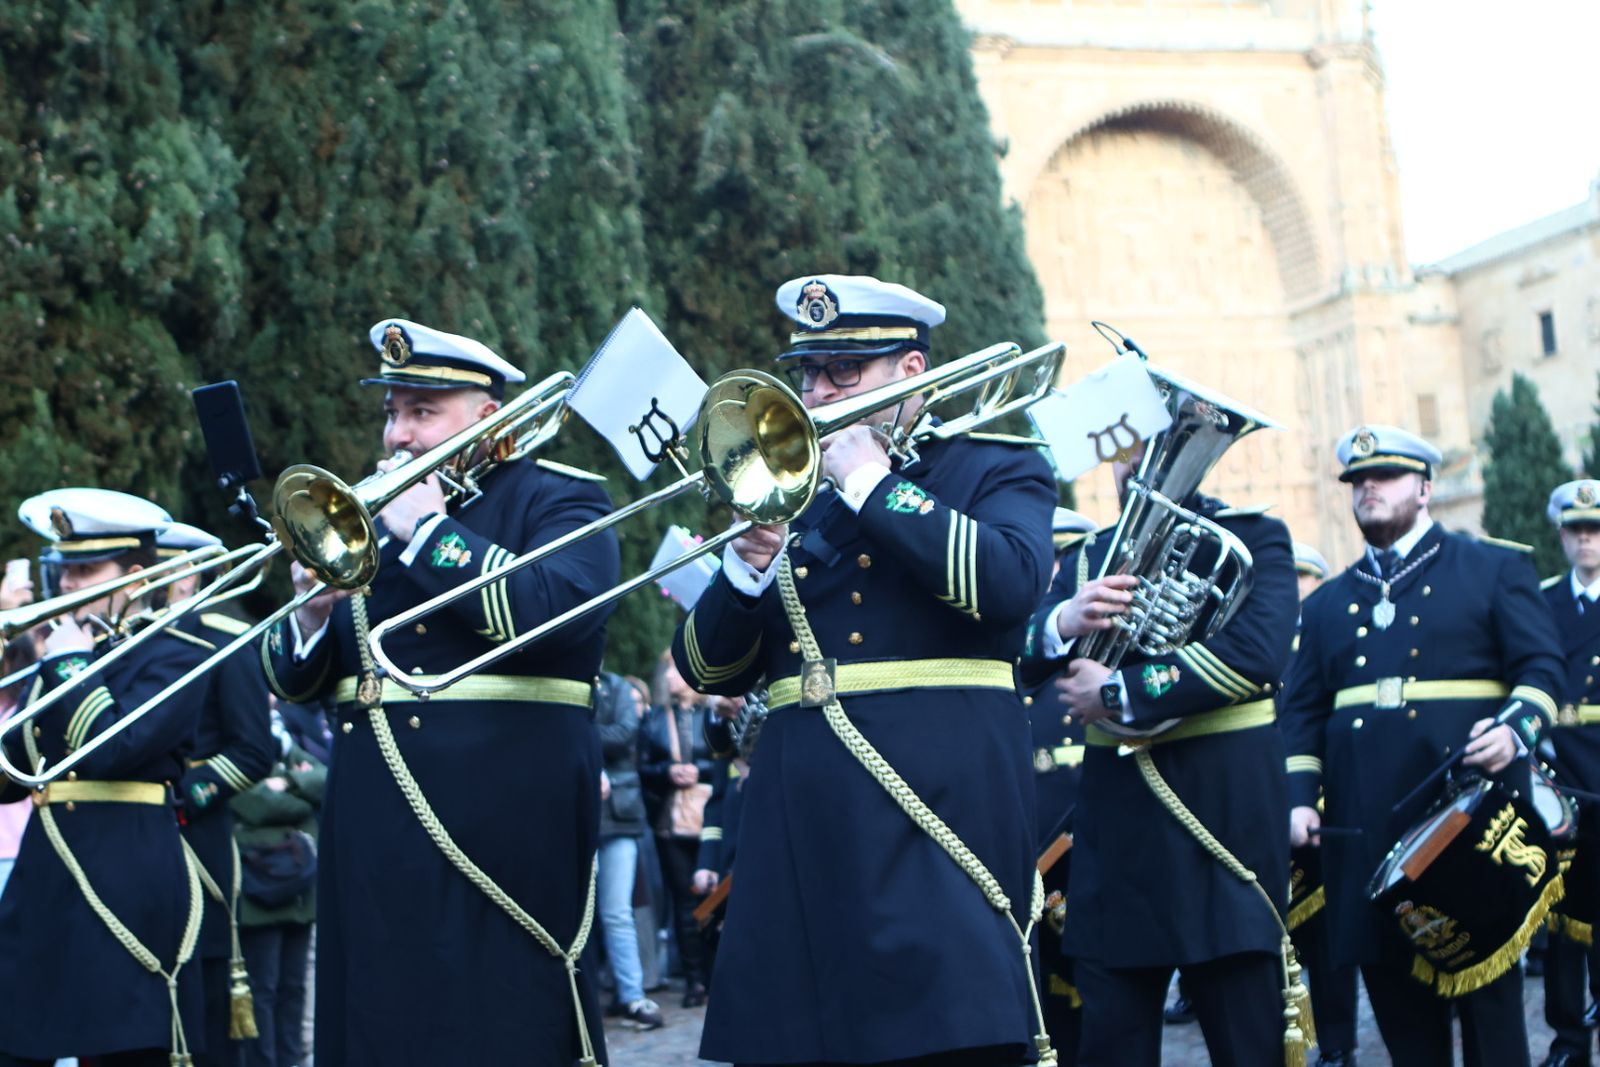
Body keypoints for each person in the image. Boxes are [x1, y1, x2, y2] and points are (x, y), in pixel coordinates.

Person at [671, 274, 1057, 1065]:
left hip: (938, 815)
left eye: (842, 372)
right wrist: (744, 569)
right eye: (808, 371)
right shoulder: (787, 493)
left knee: (946, 1038)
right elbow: (706, 666)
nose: (815, 392)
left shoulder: (992, 467)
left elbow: (1008, 584)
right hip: (800, 828)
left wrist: (870, 483)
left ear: (911, 373)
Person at [259, 319, 621, 1066]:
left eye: (423, 412)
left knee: (496, 1020)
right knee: (380, 1018)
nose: (398, 436)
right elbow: (295, 679)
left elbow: (550, 618)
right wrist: (311, 609)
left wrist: (428, 532)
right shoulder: (373, 527)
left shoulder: (560, 499)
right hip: (374, 827)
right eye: (392, 413)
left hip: (499, 823)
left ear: (488, 417)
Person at [1282, 425, 1564, 1066]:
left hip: (1467, 828)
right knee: (1407, 1036)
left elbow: (1544, 670)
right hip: (1364, 838)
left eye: (1384, 477)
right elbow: (1299, 717)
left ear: (1427, 488)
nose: (1368, 489)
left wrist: (1514, 730)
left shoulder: (1491, 569)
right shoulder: (1326, 605)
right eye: (1357, 482)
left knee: (1494, 1031)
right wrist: (1299, 799)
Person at [1018, 429, 1299, 1066]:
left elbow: (1257, 656)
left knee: (1247, 1040)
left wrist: (1119, 693)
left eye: (1152, 448)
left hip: (1221, 828)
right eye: (1122, 453)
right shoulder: (1090, 555)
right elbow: (1015, 658)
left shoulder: (1254, 536)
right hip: (1119, 834)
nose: (1133, 466)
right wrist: (1064, 621)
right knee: (1111, 1044)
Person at [0, 488, 210, 1066]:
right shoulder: (63, 653)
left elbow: (116, 750)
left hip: (126, 874)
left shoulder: (178, 654)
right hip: (48, 873)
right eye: (63, 571)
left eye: (86, 571)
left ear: (135, 578)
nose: (67, 587)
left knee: (124, 1044)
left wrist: (69, 665)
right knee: (18, 1036)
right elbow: (12, 774)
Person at [157, 521, 275, 1065]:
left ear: (186, 571)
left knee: (201, 991)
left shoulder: (228, 637)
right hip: (124, 837)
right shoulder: (125, 639)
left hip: (194, 836)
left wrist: (186, 796)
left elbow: (253, 750)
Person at [1026, 507, 1100, 1064]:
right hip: (1027, 846)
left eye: (1062, 560)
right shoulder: (1010, 645)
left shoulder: (1088, 650)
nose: (1049, 574)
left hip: (1089, 842)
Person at [1284, 540, 1360, 1067]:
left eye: (1307, 583)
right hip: (1271, 809)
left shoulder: (1333, 640)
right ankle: (1287, 1036)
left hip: (1323, 806)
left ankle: (1334, 1043)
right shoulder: (1259, 643)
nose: (1297, 595)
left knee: (1330, 943)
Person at [1538, 478, 1600, 1067]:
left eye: (1596, 529)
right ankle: (1568, 1039)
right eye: (1578, 529)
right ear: (1561, 534)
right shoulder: (1543, 600)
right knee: (1558, 915)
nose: (1587, 539)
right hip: (1557, 771)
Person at [638, 653, 719, 1009]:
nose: (668, 676)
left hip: (711, 821)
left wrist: (697, 770)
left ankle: (719, 974)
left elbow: (729, 759)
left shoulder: (712, 715)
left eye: (675, 668)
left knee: (716, 900)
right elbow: (643, 766)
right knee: (684, 903)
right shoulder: (655, 718)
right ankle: (695, 981)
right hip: (671, 823)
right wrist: (668, 771)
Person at [592, 669, 662, 1030]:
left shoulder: (616, 686)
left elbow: (624, 734)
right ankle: (584, 997)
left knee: (618, 911)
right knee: (578, 914)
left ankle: (633, 995)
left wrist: (578, 735)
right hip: (576, 810)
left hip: (619, 813)